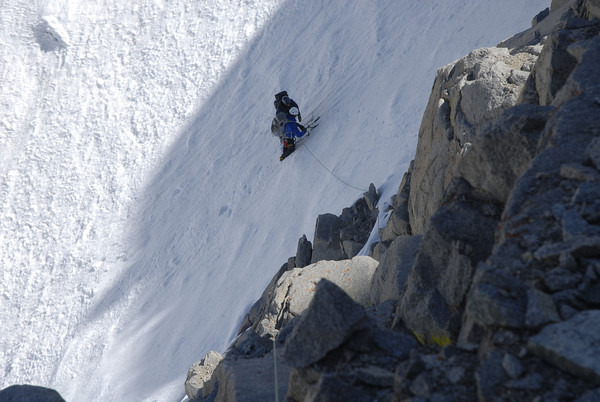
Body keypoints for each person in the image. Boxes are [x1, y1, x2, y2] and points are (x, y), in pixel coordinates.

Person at [271, 91, 307, 160]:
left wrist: (299, 115)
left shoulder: (289, 110)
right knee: (291, 148)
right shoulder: (279, 109)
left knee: (287, 134)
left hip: (286, 125)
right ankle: (283, 156)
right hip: (286, 131)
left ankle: (284, 146)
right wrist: (304, 130)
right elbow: (299, 135)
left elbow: (295, 107)